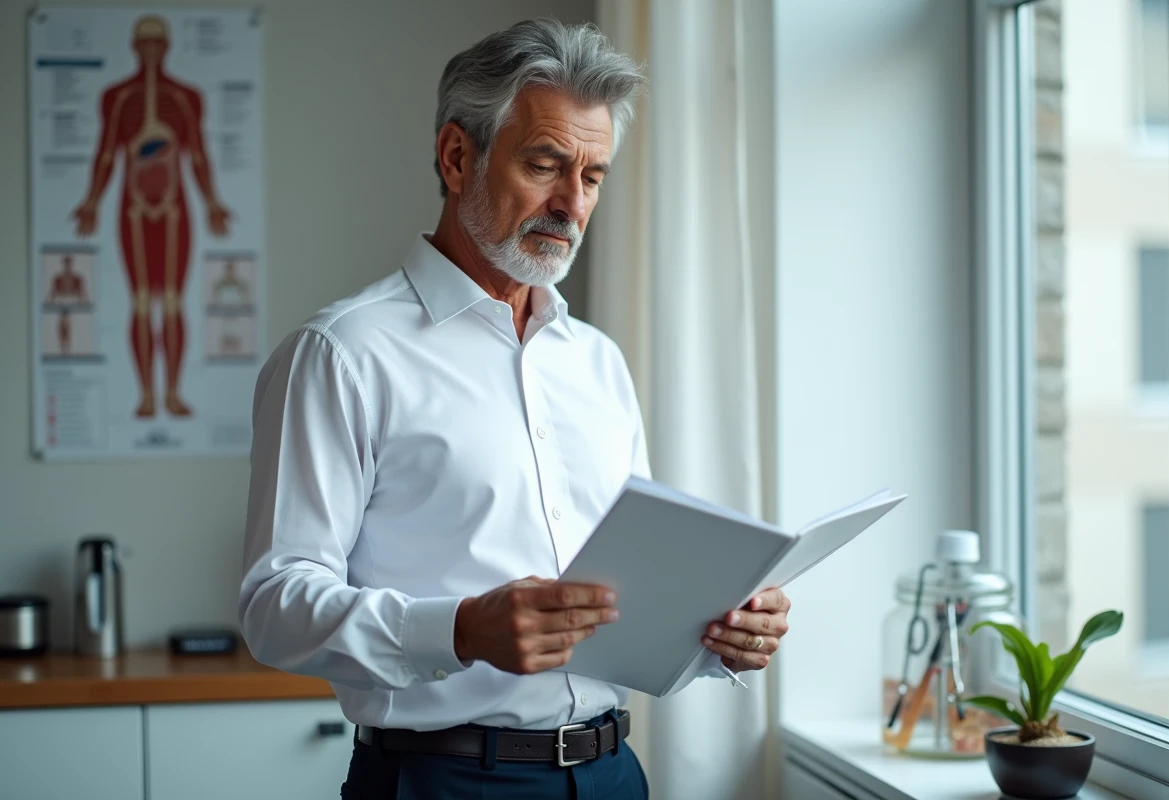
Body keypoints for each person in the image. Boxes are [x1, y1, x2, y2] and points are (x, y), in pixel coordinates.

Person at [238, 19, 792, 800]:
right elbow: (275, 608)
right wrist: (460, 630)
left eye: (594, 177)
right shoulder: (342, 354)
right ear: (457, 157)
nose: (571, 204)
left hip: (615, 774)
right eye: (545, 165)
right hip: (442, 780)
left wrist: (718, 634)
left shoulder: (597, 361)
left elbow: (629, 593)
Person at [73, 14, 231, 418]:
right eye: (143, 43)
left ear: (166, 47)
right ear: (134, 47)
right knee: (142, 302)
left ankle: (173, 394)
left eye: (156, 43)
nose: (150, 51)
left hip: (176, 210)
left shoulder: (185, 97)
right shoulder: (118, 97)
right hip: (134, 209)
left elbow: (197, 152)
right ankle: (146, 395)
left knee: (174, 302)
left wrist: (212, 201)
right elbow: (107, 152)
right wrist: (92, 200)